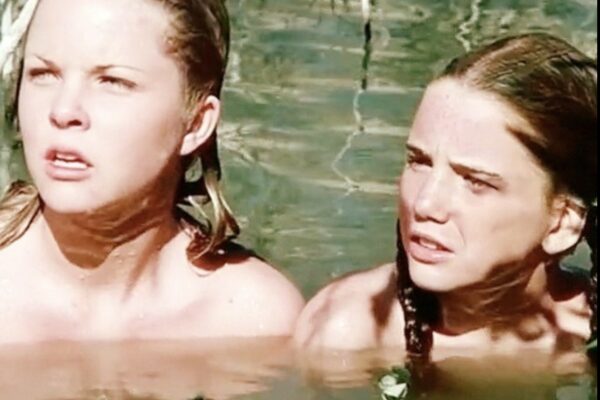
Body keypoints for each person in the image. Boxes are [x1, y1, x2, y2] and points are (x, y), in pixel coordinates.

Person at [0, 0, 304, 343]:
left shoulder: (253, 319)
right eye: (43, 74)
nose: (63, 110)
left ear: (196, 123)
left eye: (112, 81)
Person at [294, 33, 597, 365]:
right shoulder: (347, 334)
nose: (424, 204)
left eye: (475, 182)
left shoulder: (585, 337)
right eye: (419, 162)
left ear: (562, 223)